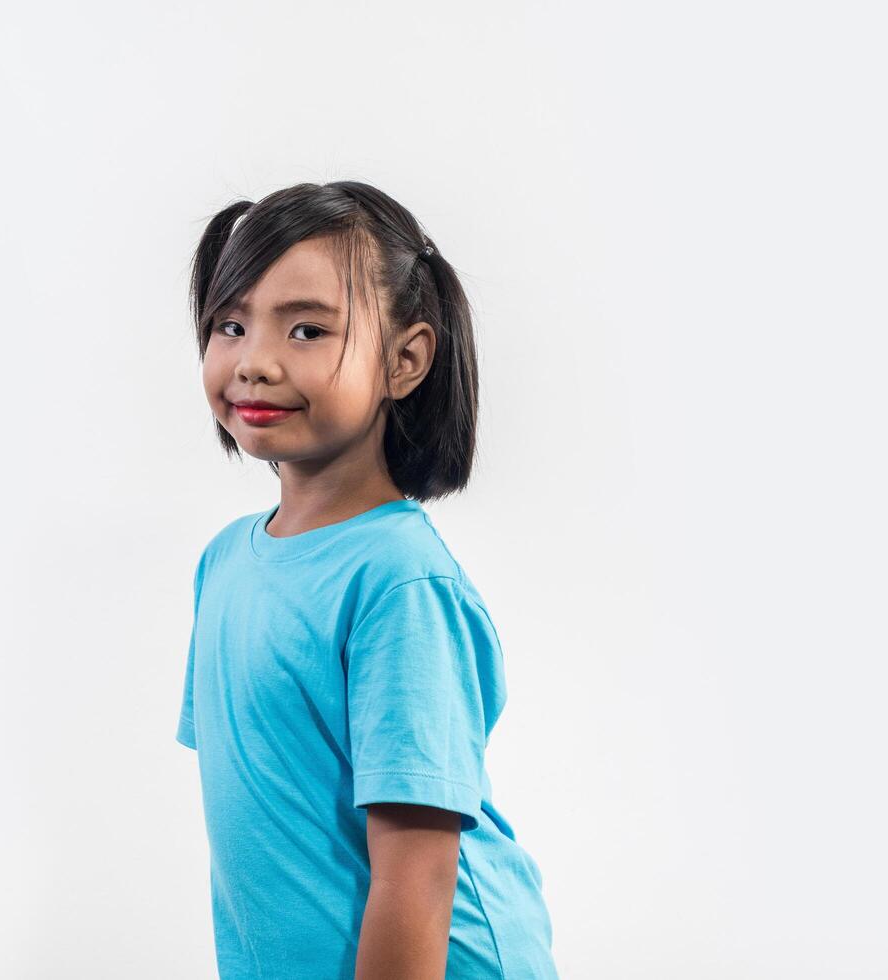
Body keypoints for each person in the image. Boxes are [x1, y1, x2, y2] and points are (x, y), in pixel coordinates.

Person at [175, 180, 559, 979]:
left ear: (404, 360)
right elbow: (263, 827)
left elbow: (415, 875)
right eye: (230, 325)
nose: (255, 361)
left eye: (308, 328)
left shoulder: (398, 582)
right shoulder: (222, 563)